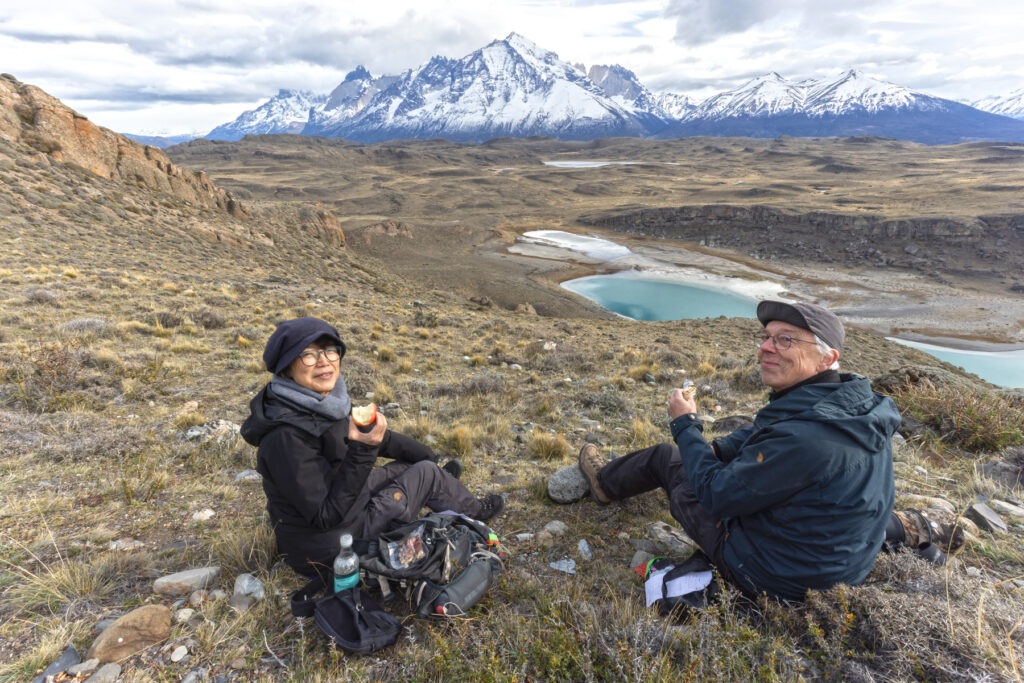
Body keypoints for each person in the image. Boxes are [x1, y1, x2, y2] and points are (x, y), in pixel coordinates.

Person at [578, 300, 938, 602]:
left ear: (827, 359)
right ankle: (904, 528)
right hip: (841, 557)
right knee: (728, 452)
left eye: (786, 340)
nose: (766, 347)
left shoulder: (803, 437)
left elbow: (717, 497)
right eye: (766, 337)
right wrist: (716, 450)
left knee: (662, 457)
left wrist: (686, 425)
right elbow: (767, 433)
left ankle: (603, 483)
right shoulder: (854, 405)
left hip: (773, 576)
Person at [241, 317, 504, 577]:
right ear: (286, 368)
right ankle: (474, 511)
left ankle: (439, 482)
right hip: (333, 547)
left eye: (330, 351)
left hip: (342, 503)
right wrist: (364, 449)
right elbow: (325, 516)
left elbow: (381, 440)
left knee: (416, 464)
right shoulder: (285, 437)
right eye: (307, 355)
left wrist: (427, 454)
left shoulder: (316, 403)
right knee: (426, 474)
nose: (324, 361)